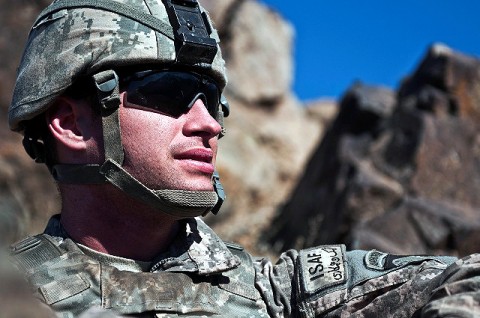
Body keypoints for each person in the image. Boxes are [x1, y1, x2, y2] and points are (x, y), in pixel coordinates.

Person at [6, 0, 480, 317]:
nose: (209, 125)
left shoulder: (279, 294)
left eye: (211, 100)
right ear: (69, 123)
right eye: (168, 93)